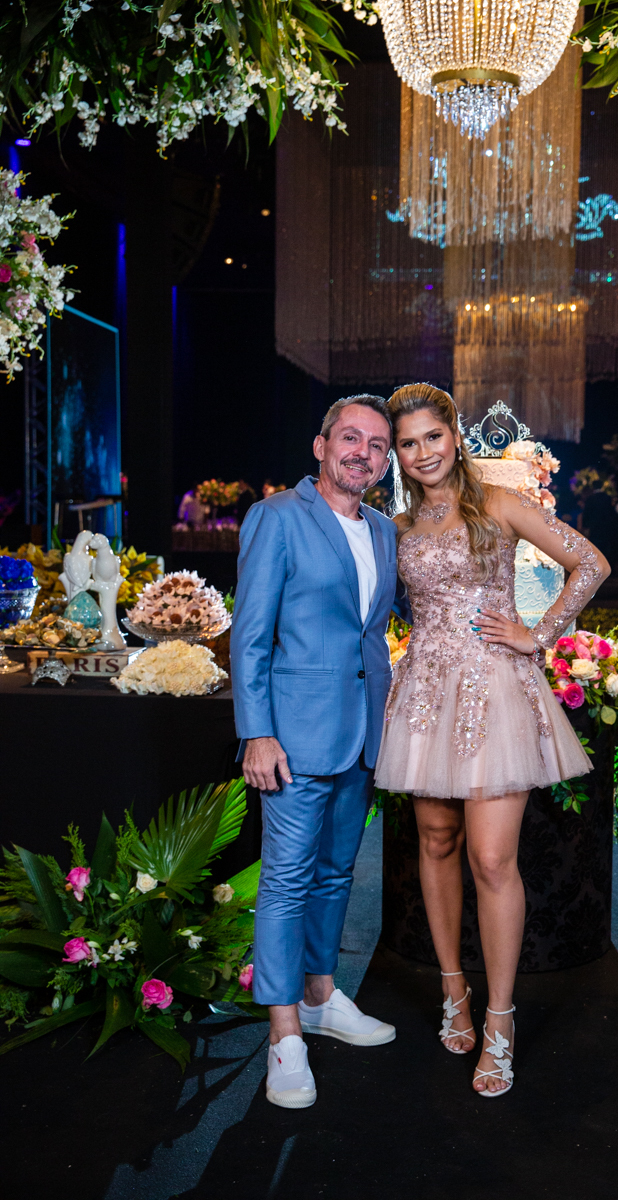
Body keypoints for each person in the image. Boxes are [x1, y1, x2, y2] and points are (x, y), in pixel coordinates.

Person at [374, 384, 610, 1098]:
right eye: (408, 443)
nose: (423, 453)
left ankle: (500, 1019)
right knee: (436, 841)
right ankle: (454, 989)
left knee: (491, 857)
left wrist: (540, 633)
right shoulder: (397, 525)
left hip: (495, 689)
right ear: (397, 453)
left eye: (432, 437)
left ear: (454, 435)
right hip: (425, 693)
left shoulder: (501, 504)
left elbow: (591, 563)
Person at [230, 395, 400, 1110]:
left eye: (378, 445)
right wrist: (256, 731)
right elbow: (250, 635)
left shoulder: (385, 530)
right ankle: (284, 1036)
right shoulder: (277, 517)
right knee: (286, 882)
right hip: (293, 738)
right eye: (351, 438)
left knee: (335, 875)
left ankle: (323, 997)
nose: (364, 452)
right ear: (321, 446)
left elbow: (377, 631)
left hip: (361, 734)